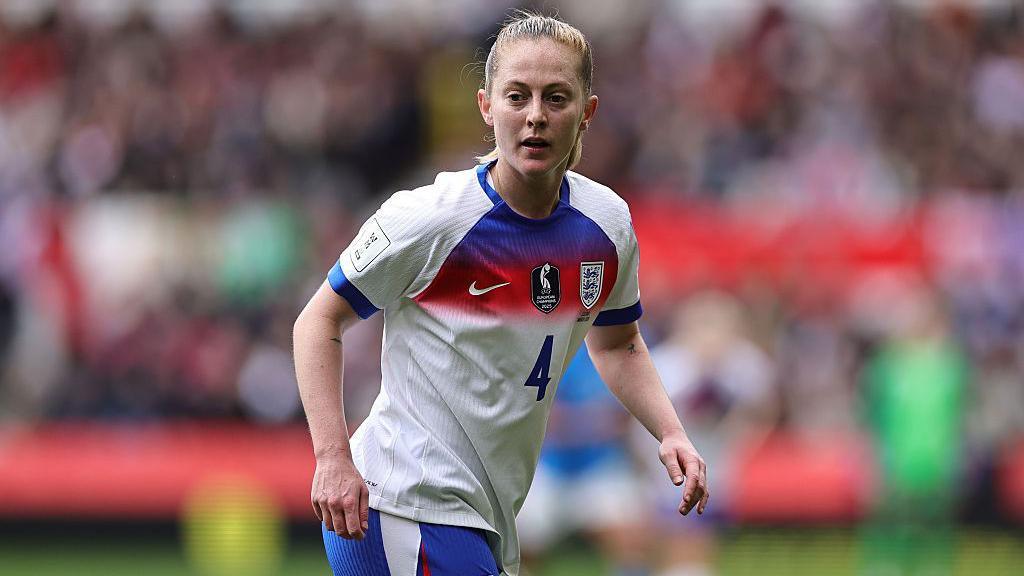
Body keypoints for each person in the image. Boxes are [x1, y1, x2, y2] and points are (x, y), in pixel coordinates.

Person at [293, 12, 708, 576]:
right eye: (518, 97)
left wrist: (670, 430)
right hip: (400, 504)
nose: (535, 115)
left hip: (484, 518)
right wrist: (331, 458)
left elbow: (618, 343)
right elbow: (318, 321)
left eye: (556, 97)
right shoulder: (430, 219)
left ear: (587, 111)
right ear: (487, 107)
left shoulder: (607, 225)